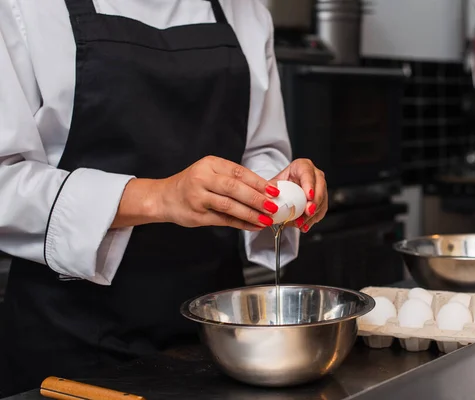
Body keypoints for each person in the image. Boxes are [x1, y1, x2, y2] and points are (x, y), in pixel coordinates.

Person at [0, 0, 328, 395]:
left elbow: (258, 149)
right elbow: (6, 179)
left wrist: (274, 191)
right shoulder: (24, 7)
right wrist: (159, 197)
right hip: (70, 339)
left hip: (218, 335)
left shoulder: (245, 10)